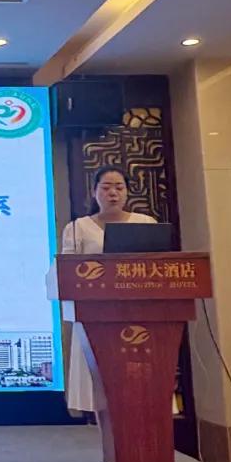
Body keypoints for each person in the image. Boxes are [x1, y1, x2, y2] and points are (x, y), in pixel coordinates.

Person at [60, 166, 157, 415]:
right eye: (105, 187)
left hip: (137, 310)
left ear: (127, 192)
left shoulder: (145, 223)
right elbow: (66, 270)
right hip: (95, 311)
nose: (113, 193)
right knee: (101, 379)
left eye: (119, 187)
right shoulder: (77, 228)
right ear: (94, 192)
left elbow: (157, 265)